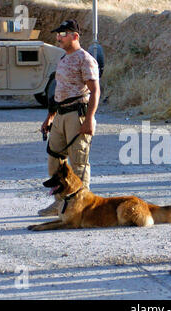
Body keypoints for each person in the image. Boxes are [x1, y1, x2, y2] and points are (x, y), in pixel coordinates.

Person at [38, 19, 100, 216]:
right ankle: (60, 203)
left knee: (79, 161)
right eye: (58, 34)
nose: (58, 37)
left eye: (63, 34)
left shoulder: (85, 59)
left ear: (75, 36)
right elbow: (59, 91)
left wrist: (89, 119)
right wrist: (50, 116)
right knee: (55, 160)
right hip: (61, 115)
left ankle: (81, 204)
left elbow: (95, 91)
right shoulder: (64, 59)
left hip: (77, 113)